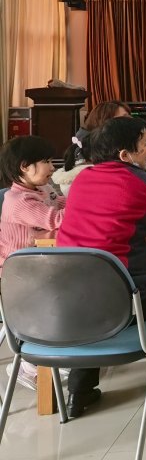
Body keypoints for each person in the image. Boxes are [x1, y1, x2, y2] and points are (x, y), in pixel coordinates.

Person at [57, 117, 146, 417]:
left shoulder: (82, 179)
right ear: (125, 154)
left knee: (92, 290)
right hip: (122, 302)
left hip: (69, 301)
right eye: (144, 144)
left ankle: (78, 393)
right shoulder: (141, 181)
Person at [0, 136, 67, 391]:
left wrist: (81, 199)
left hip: (41, 263)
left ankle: (62, 350)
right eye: (46, 161)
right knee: (66, 295)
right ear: (24, 166)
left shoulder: (43, 189)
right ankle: (28, 366)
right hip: (19, 274)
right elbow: (56, 219)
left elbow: (62, 203)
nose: (52, 167)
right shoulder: (18, 201)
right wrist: (90, 207)